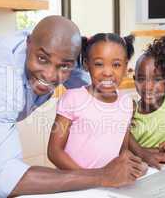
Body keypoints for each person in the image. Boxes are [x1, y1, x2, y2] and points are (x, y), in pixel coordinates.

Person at [0, 16, 146, 198]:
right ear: (28, 43)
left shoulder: (67, 58)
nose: (49, 75)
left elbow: (101, 101)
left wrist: (141, 152)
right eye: (42, 59)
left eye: (64, 66)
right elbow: (8, 181)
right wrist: (102, 176)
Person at [48, 33, 147, 176]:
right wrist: (93, 178)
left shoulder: (127, 103)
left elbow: (122, 151)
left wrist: (135, 166)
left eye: (116, 65)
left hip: (108, 186)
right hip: (74, 185)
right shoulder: (73, 98)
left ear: (125, 67)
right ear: (87, 65)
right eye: (99, 64)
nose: (107, 72)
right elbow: (54, 152)